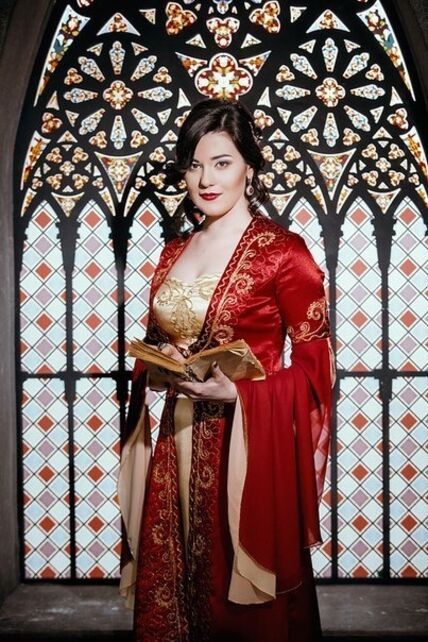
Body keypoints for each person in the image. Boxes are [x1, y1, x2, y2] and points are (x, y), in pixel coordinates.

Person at [118, 98, 334, 641]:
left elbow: (317, 371)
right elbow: (158, 343)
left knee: (236, 605)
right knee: (177, 592)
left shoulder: (284, 253)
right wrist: (160, 366)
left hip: (245, 444)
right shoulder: (174, 251)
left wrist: (241, 395)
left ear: (250, 168)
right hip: (175, 441)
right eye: (194, 165)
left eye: (222, 163)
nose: (206, 179)